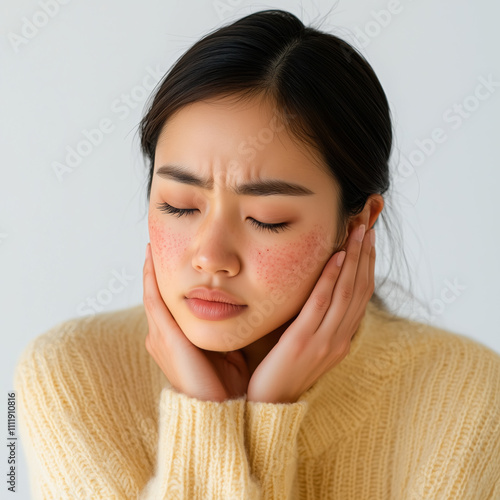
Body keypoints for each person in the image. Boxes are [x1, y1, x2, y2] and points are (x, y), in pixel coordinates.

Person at [14, 8, 500, 499]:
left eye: (267, 218)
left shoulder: (466, 396)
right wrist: (206, 411)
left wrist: (267, 410)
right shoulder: (73, 374)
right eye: (179, 206)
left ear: (358, 223)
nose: (210, 256)